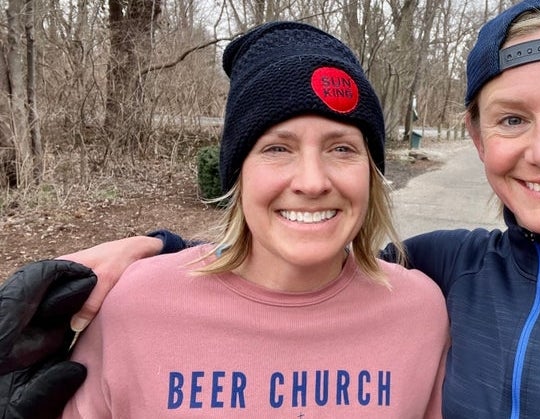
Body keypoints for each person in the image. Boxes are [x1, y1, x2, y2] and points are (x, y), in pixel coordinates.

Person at [2, 0, 540, 417]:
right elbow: (293, 273)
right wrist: (157, 253)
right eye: (511, 119)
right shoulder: (445, 269)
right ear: (477, 136)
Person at [11, 20, 450, 418]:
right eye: (277, 148)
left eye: (342, 148)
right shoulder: (133, 306)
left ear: (371, 174)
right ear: (238, 173)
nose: (313, 181)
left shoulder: (419, 315)